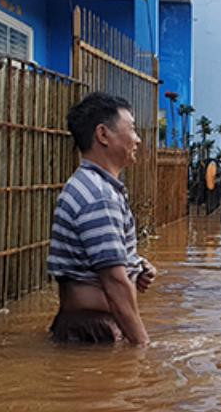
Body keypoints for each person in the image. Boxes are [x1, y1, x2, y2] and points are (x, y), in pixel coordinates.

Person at [46, 92, 156, 345]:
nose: (137, 139)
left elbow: (99, 260)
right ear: (103, 135)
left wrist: (134, 265)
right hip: (94, 330)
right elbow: (114, 280)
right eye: (132, 129)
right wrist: (143, 347)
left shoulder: (95, 187)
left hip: (88, 326)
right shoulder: (99, 196)